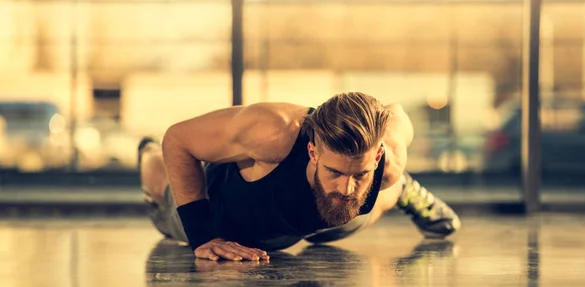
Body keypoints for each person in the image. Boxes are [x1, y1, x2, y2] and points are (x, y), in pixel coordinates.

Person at [138, 92, 460, 261]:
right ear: (313, 152)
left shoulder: (387, 157)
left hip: (320, 221)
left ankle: (401, 189)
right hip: (227, 215)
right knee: (163, 194)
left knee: (374, 195)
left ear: (376, 156)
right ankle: (145, 152)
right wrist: (203, 237)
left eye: (360, 173)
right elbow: (178, 140)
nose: (347, 187)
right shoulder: (273, 132)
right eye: (334, 171)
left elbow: (396, 113)